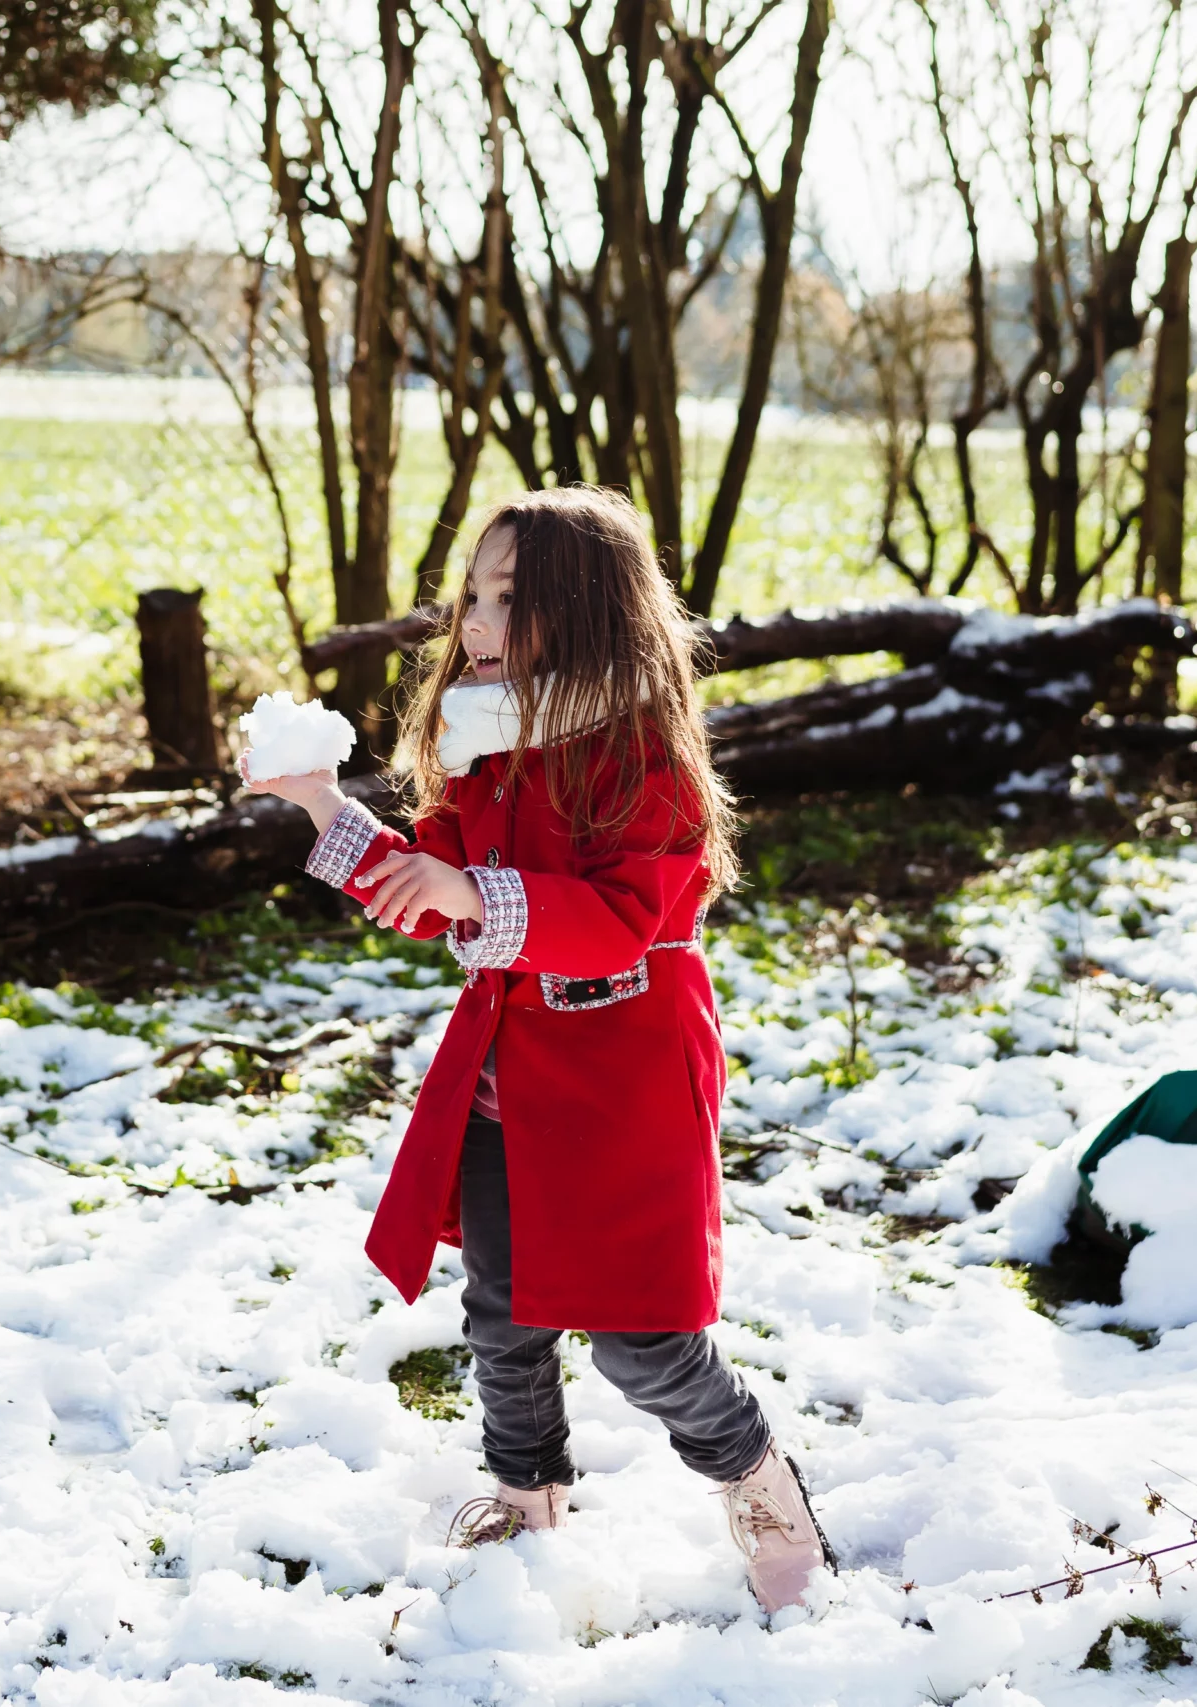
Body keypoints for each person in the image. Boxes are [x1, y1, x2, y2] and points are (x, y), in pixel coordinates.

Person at [241, 485, 831, 1614]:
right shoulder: (482, 743)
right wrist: (322, 804)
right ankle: (526, 1496)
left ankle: (762, 1491)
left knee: (642, 1341)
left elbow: (632, 912)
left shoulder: (640, 755)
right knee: (502, 1310)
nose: (475, 621)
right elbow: (431, 890)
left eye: (510, 598)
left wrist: (475, 888)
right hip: (504, 1077)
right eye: (473, 594)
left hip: (625, 1079)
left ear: (590, 610)